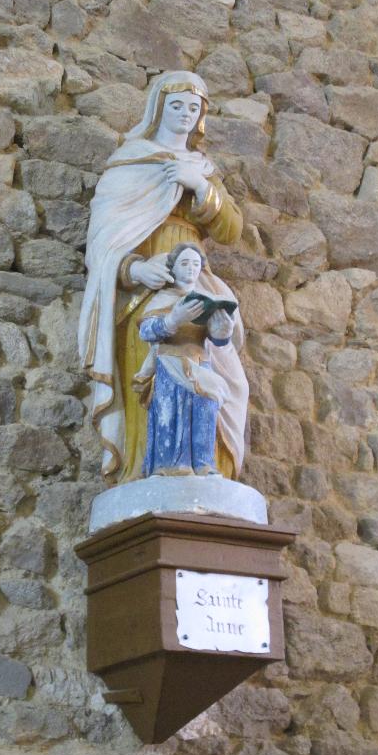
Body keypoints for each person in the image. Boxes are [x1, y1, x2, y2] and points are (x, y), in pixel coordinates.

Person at [77, 70, 248, 484]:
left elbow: (231, 230)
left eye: (194, 108)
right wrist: (134, 268)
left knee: (224, 375)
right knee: (154, 383)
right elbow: (101, 241)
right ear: (158, 108)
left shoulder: (201, 168)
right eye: (177, 105)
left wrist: (202, 188)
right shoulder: (130, 162)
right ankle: (146, 475)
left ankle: (210, 473)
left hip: (194, 279)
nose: (186, 115)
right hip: (144, 292)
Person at [135, 243, 236, 477]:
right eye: (184, 263)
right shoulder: (164, 298)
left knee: (205, 410)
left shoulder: (206, 300)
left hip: (201, 365)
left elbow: (217, 341)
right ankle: (169, 465)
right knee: (171, 412)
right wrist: (173, 320)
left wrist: (223, 332)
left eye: (195, 264)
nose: (191, 268)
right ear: (173, 268)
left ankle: (204, 464)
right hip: (170, 364)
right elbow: (146, 332)